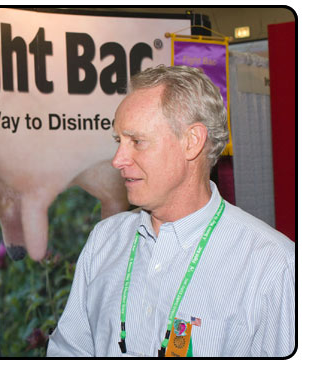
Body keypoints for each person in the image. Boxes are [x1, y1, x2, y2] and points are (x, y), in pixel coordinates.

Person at [47, 65, 295, 357]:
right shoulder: (105, 240)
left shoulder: (270, 264)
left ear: (191, 142)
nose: (117, 160)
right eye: (119, 141)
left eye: (136, 141)